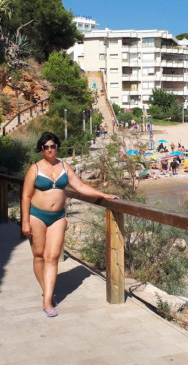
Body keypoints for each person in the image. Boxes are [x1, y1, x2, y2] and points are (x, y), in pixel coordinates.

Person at [22, 132, 118, 317]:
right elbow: (26, 196)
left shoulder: (65, 167)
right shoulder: (35, 169)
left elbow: (80, 186)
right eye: (46, 147)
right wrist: (25, 221)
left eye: (53, 146)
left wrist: (103, 195)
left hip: (58, 216)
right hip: (37, 216)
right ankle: (47, 291)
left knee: (52, 256)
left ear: (57, 147)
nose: (50, 149)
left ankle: (47, 300)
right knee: (39, 255)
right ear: (42, 149)